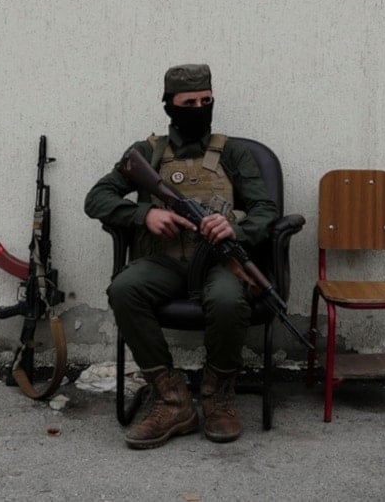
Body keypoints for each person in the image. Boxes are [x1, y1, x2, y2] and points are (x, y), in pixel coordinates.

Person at [85, 63, 278, 449]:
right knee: (124, 288)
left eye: (206, 101)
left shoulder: (234, 153)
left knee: (226, 299)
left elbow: (266, 210)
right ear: (169, 105)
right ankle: (172, 399)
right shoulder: (146, 153)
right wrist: (146, 213)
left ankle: (217, 394)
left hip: (219, 262)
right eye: (188, 102)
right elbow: (97, 199)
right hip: (165, 262)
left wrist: (234, 230)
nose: (199, 108)